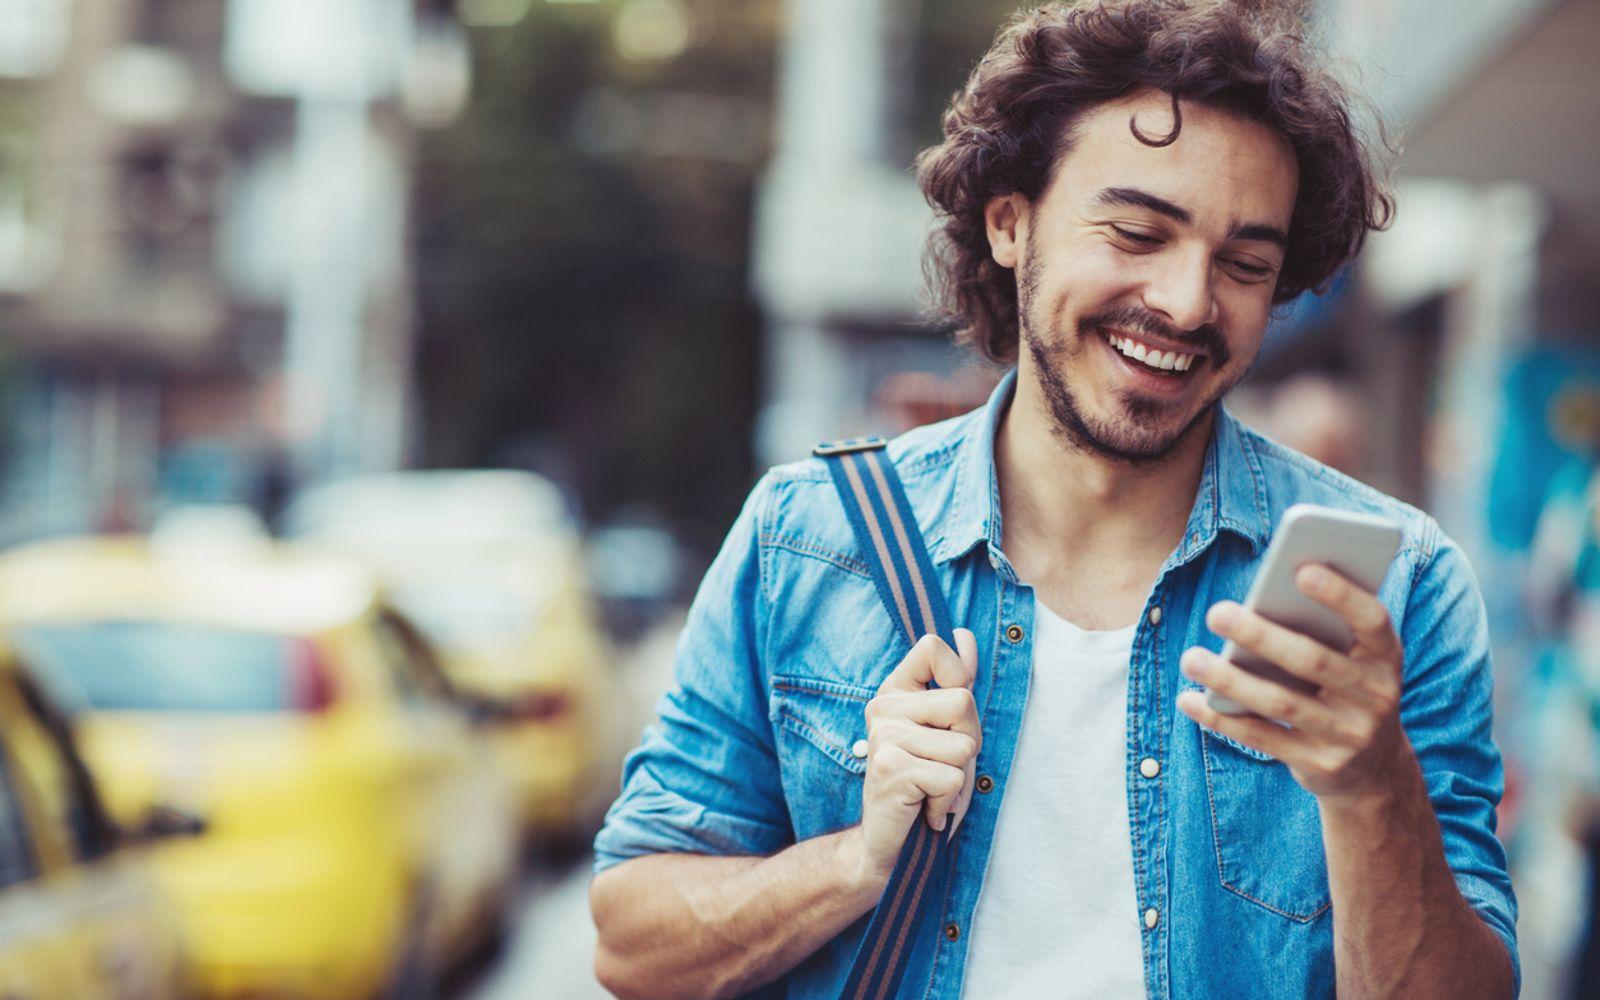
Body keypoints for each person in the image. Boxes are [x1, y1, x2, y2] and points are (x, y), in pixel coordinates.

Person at [589, 2, 1518, 997]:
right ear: (1008, 219)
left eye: (1245, 264)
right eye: (1135, 231)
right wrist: (855, 860)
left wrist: (1370, 789)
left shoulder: (1397, 589)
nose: (1186, 301)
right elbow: (632, 948)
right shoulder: (805, 537)